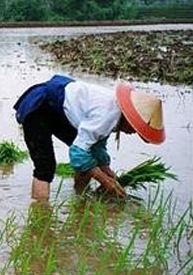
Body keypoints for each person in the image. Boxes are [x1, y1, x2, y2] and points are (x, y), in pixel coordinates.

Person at [14, 74, 165, 201]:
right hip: (40, 106)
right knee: (45, 168)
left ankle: (80, 200)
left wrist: (111, 176)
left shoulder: (114, 113)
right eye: (135, 127)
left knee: (89, 156)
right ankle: (40, 216)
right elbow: (77, 153)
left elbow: (96, 148)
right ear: (129, 117)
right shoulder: (106, 114)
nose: (134, 133)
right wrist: (105, 181)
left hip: (60, 110)